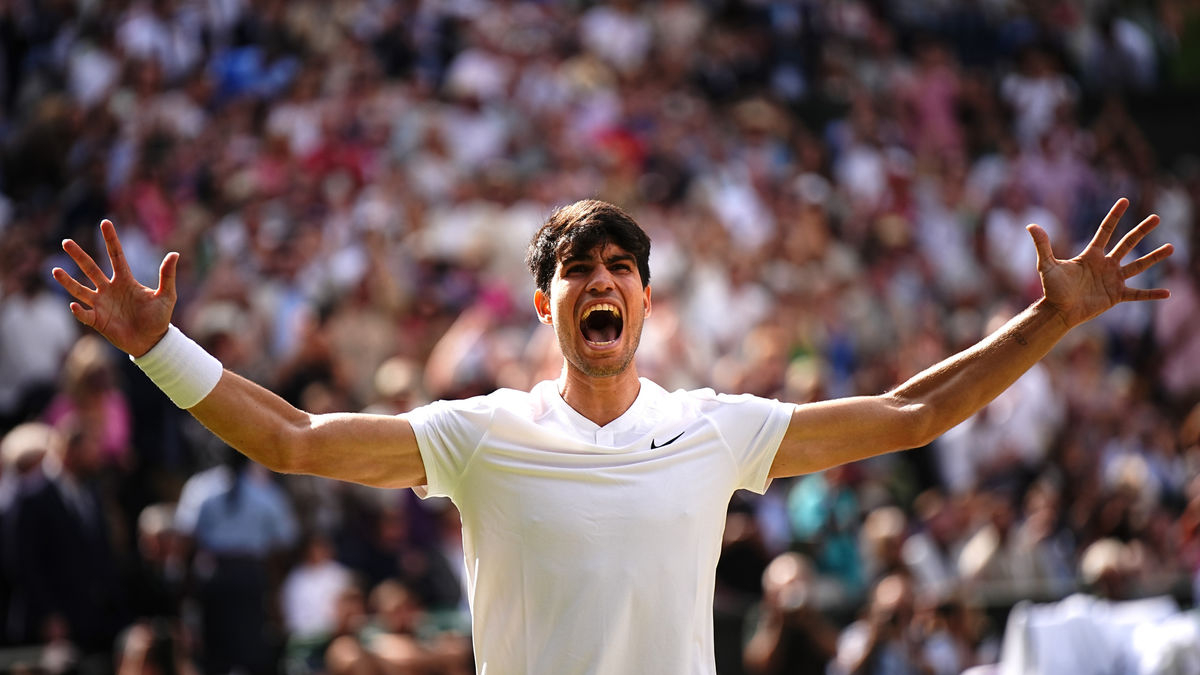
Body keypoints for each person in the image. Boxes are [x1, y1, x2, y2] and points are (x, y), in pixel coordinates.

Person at [52, 197, 1171, 674]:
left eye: (620, 269)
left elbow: (917, 413)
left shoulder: (716, 428)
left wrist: (1052, 317)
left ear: (642, 303)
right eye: (578, 270)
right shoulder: (479, 435)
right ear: (546, 306)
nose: (600, 282)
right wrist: (161, 349)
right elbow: (294, 438)